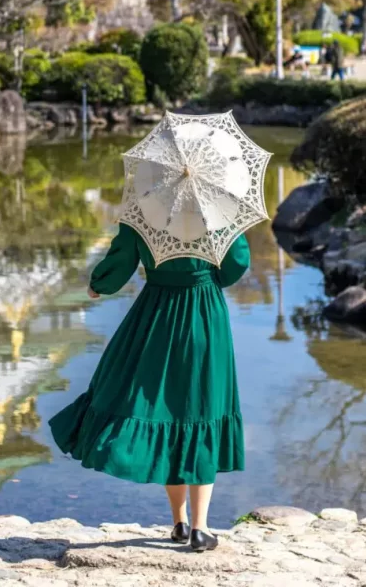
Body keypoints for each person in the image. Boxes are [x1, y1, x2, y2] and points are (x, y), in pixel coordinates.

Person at [49, 223, 250, 553]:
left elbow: (123, 255)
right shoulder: (219, 213)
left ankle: (179, 522)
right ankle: (200, 528)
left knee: (164, 408)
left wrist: (100, 284)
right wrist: (207, 277)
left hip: (155, 313)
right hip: (204, 312)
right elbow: (236, 262)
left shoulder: (145, 211)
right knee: (203, 409)